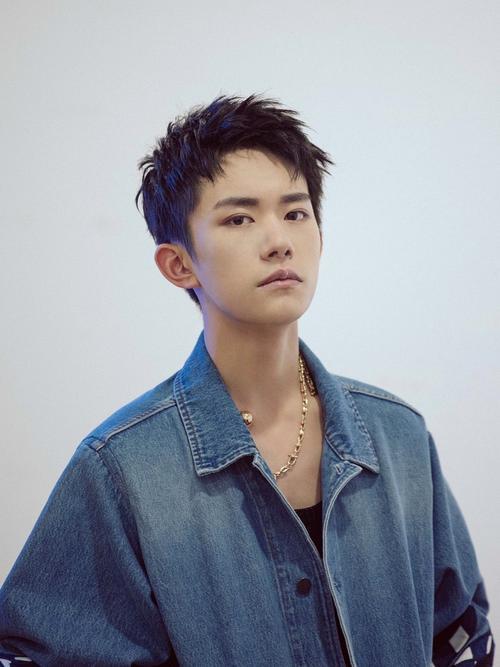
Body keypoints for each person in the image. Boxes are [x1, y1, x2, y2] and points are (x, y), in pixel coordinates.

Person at [0, 92, 495, 667]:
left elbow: (461, 635)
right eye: (239, 218)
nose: (279, 240)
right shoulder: (122, 469)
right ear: (178, 264)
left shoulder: (398, 436)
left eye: (296, 213)